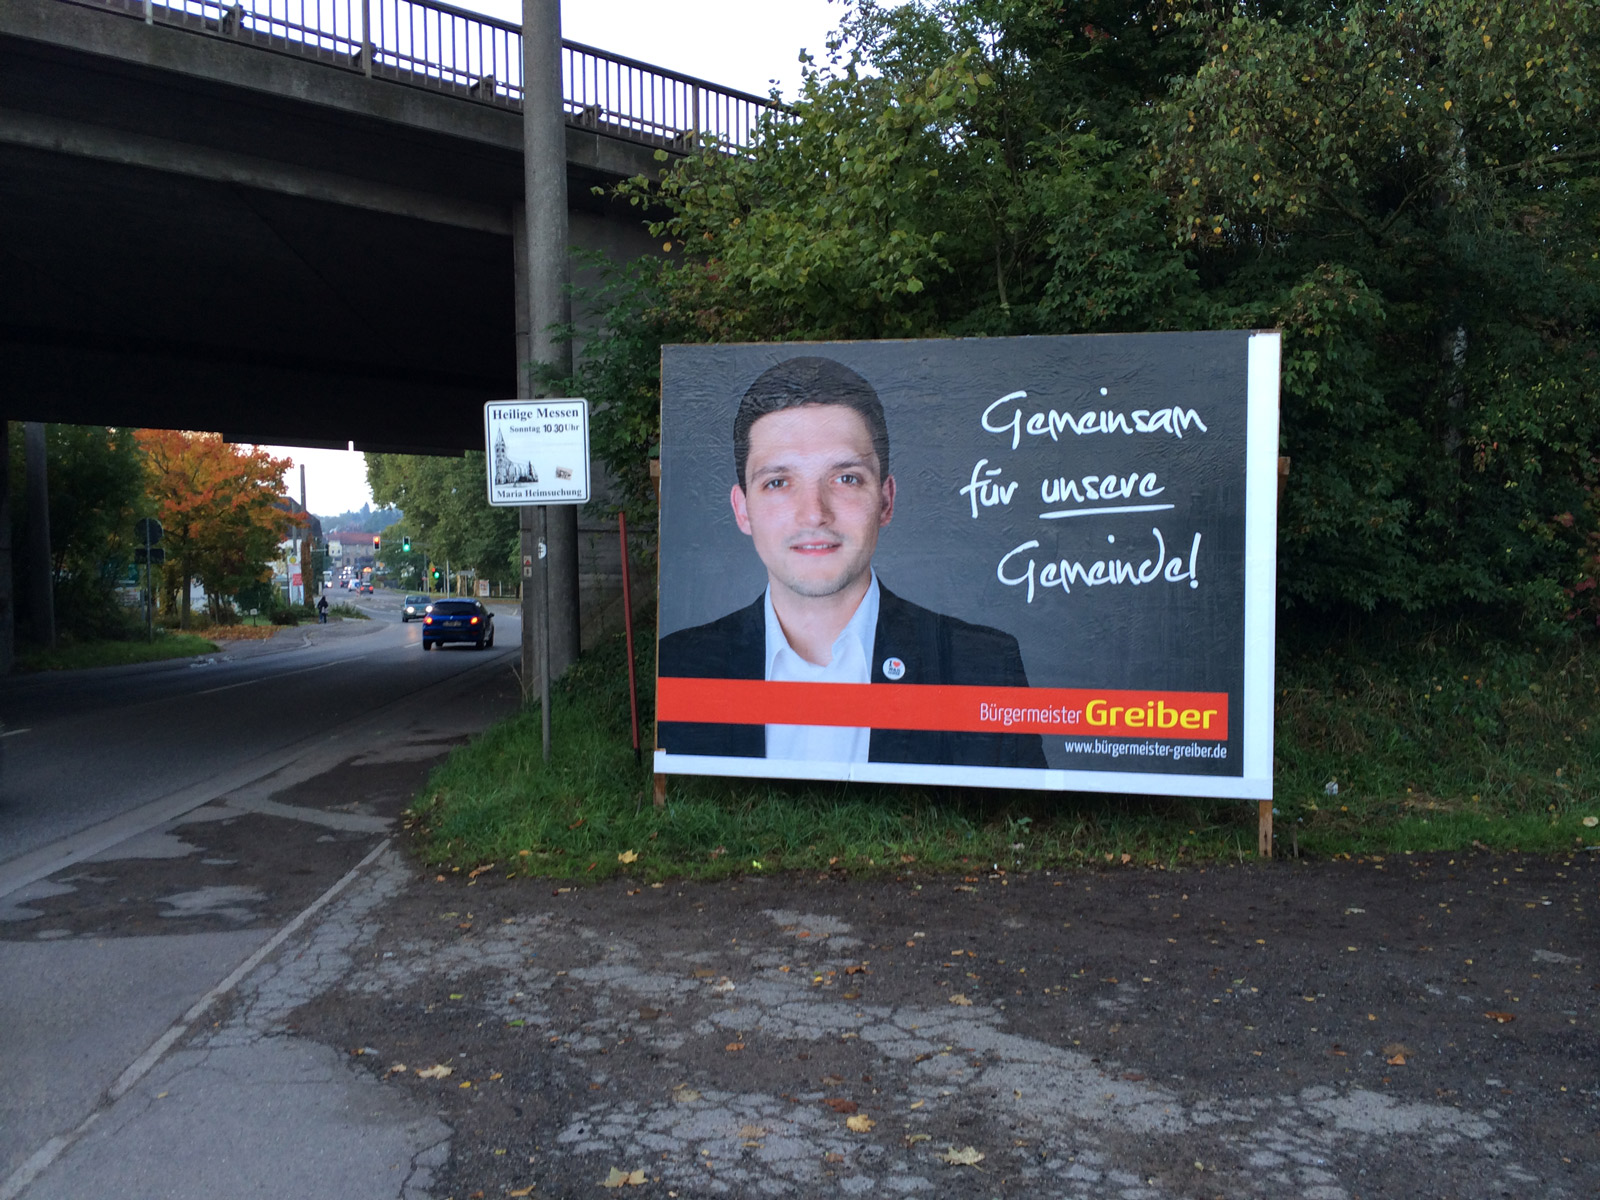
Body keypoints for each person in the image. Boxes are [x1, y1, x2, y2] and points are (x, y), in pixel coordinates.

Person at [658, 356, 1046, 769]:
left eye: (846, 478)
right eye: (777, 482)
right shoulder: (682, 665)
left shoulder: (985, 667)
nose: (813, 514)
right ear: (742, 510)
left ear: (885, 499)